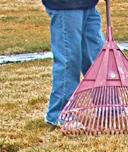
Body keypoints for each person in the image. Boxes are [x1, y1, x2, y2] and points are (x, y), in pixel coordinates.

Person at [42, 0, 106, 128]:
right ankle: (61, 114)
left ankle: (108, 106)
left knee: (98, 56)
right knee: (69, 59)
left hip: (88, 4)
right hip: (66, 5)